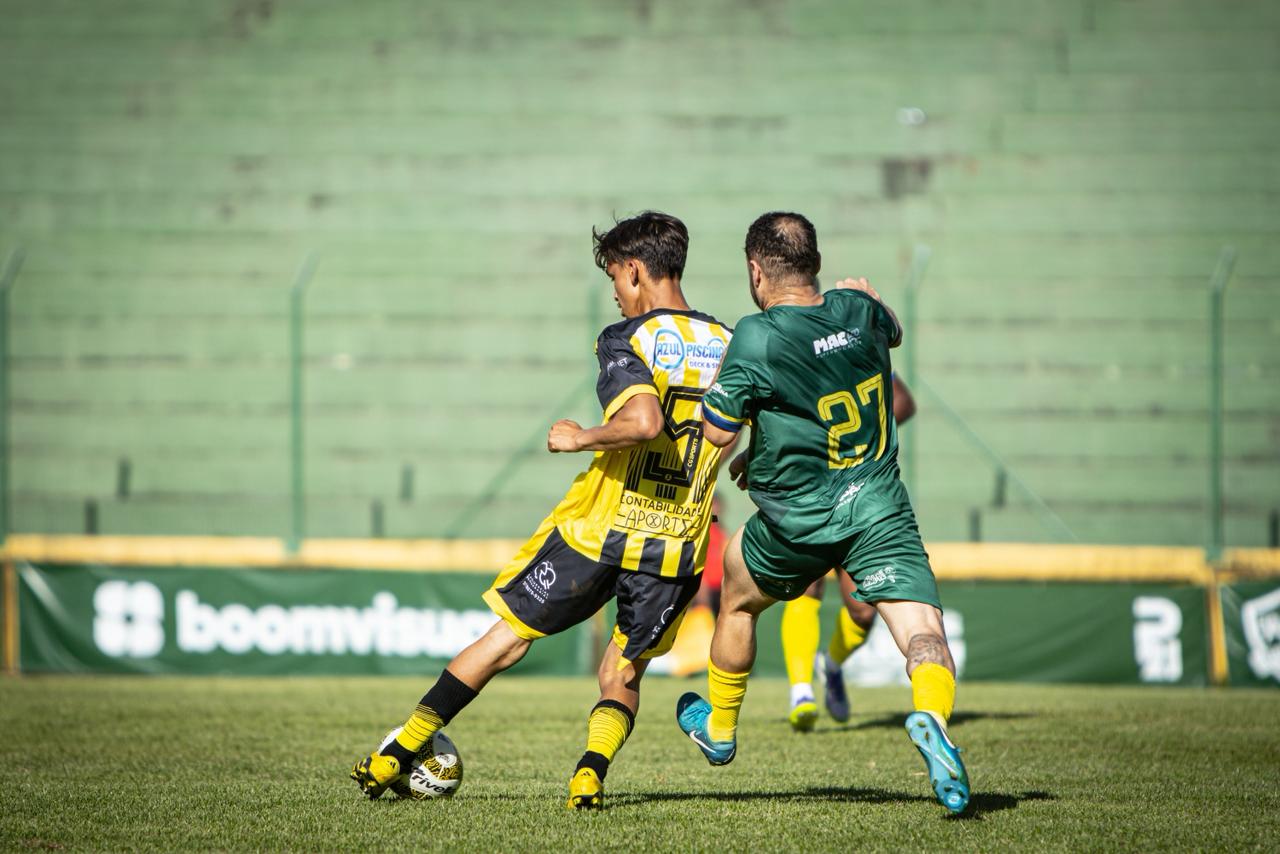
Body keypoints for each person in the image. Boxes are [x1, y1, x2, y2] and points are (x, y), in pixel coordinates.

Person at [350, 211, 732, 810]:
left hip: (598, 529)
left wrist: (579, 437)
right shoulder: (730, 344)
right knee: (622, 672)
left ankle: (393, 756)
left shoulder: (625, 338)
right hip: (676, 541)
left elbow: (644, 422)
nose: (616, 294)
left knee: (506, 639)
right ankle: (588, 777)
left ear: (635, 270)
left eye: (615, 280)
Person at [675, 212, 969, 814]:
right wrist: (865, 299)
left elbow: (715, 431)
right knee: (924, 635)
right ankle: (932, 718)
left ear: (757, 271)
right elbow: (889, 330)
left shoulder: (757, 335)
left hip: (799, 523)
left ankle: (722, 731)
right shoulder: (857, 309)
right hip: (878, 510)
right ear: (815, 261)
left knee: (736, 599)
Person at [782, 375, 916, 731]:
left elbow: (903, 402)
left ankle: (833, 664)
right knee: (805, 586)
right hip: (806, 491)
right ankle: (800, 692)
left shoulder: (853, 340)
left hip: (857, 495)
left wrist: (855, 439)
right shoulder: (791, 343)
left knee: (862, 613)